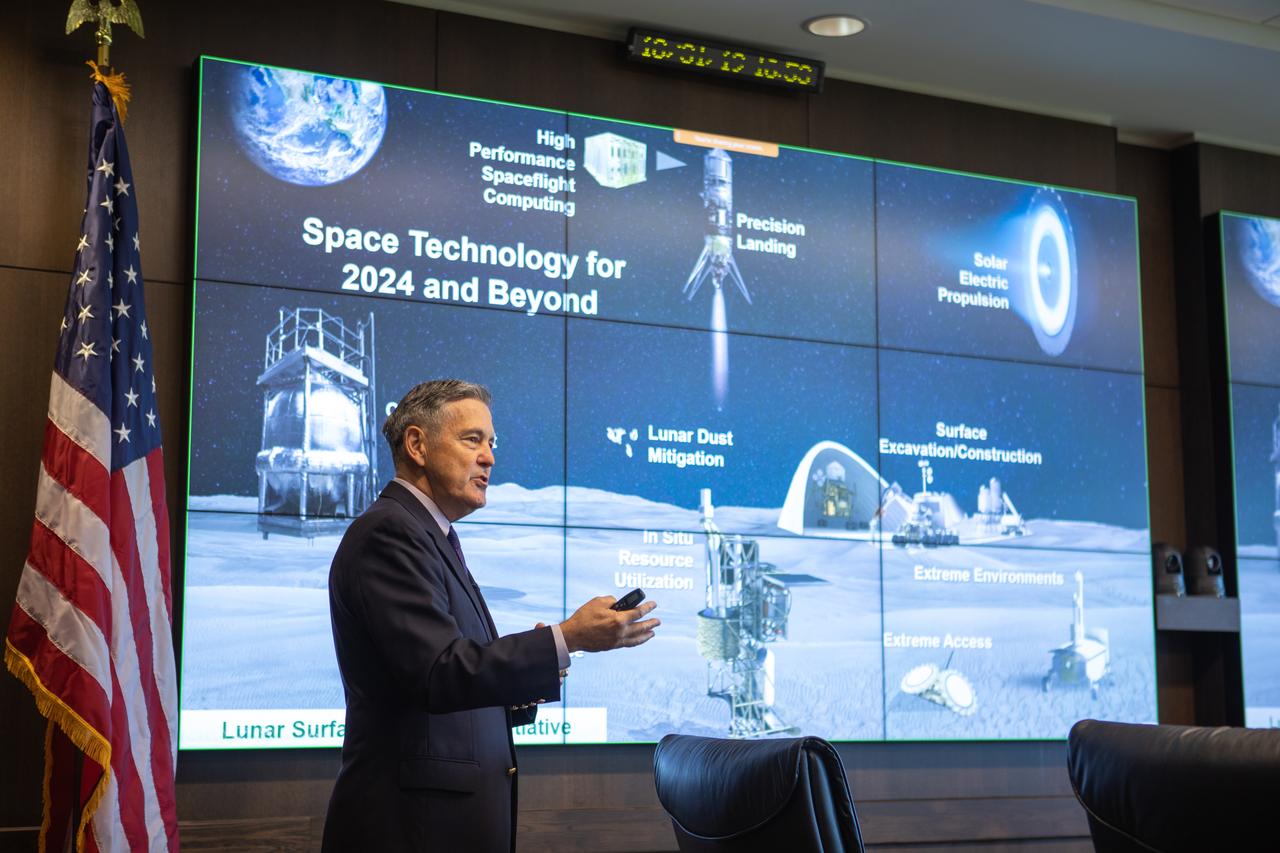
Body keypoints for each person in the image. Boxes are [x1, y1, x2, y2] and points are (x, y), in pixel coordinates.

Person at [321, 379, 659, 852]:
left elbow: (456, 677)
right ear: (417, 444)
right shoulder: (390, 533)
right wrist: (566, 637)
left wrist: (551, 655)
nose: (490, 458)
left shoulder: (429, 535)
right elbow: (440, 673)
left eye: (492, 443)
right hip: (411, 830)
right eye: (472, 439)